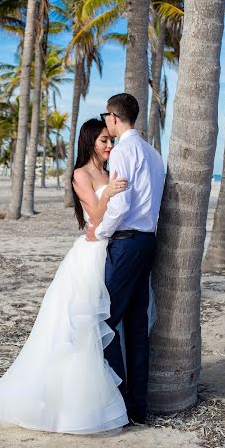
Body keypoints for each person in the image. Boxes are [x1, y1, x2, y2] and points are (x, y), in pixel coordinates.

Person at [0, 119, 130, 434]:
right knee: (79, 325)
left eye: (110, 141)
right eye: (104, 140)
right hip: (90, 254)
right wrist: (109, 193)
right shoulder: (81, 174)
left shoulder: (108, 172)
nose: (109, 146)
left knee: (102, 323)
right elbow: (94, 215)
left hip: (112, 247)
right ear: (90, 140)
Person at [86, 94, 165, 425]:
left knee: (102, 321)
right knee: (135, 327)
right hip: (148, 242)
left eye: (106, 115)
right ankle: (138, 408)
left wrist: (98, 233)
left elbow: (119, 204)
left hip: (126, 243)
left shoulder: (122, 151)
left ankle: (115, 403)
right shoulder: (154, 154)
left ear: (114, 117)